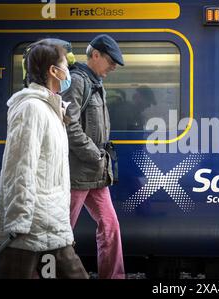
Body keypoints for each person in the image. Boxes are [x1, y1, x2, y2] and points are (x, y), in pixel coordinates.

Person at [0, 41, 88, 279]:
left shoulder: (52, 110)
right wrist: (17, 222)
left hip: (51, 221)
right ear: (54, 71)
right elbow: (19, 167)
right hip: (30, 226)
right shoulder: (32, 108)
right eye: (65, 66)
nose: (69, 73)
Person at [61, 34, 125, 279]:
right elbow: (69, 126)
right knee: (61, 232)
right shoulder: (78, 81)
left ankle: (114, 276)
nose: (113, 67)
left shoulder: (96, 82)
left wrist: (99, 160)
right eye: (110, 61)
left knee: (110, 227)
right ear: (95, 55)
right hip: (78, 172)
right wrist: (94, 155)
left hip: (96, 173)